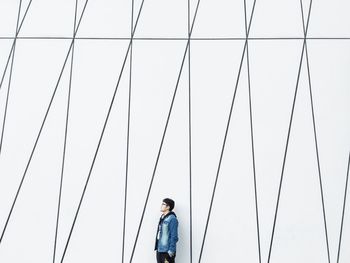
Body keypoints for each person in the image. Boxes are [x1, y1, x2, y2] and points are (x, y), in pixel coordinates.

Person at [155, 198, 179, 263]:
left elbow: (174, 236)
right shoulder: (162, 218)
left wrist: (171, 251)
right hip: (160, 250)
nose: (161, 205)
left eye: (163, 204)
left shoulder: (172, 219)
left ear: (168, 207)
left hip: (167, 251)